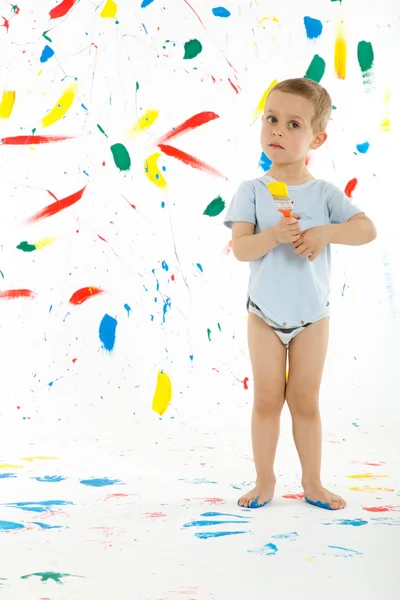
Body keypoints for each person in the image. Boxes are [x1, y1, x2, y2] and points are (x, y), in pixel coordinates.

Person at [223, 78, 377, 510]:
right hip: (264, 317)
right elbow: (240, 249)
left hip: (312, 317)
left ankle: (312, 483)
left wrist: (327, 232)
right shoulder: (252, 191)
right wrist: (272, 236)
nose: (278, 130)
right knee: (268, 400)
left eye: (293, 124)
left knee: (305, 401)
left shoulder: (325, 194)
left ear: (317, 138)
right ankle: (265, 481)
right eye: (271, 119)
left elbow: (366, 229)